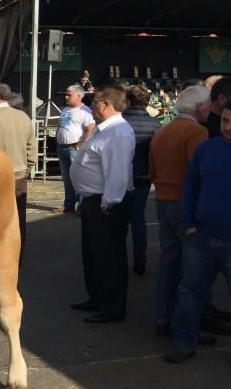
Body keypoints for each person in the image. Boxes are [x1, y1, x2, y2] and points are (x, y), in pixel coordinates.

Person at [165, 99, 231, 363]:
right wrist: (189, 224)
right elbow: (191, 186)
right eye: (225, 121)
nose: (228, 127)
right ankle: (184, 342)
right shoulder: (206, 149)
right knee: (190, 292)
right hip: (201, 238)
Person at [69, 86, 135, 324]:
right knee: (93, 253)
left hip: (105, 203)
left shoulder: (117, 132)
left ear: (106, 104)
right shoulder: (103, 129)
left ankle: (112, 307)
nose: (92, 105)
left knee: (108, 256)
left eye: (95, 101)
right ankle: (96, 297)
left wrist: (108, 204)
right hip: (94, 201)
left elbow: (117, 174)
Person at [149, 85, 210, 337]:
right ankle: (186, 323)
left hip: (162, 201)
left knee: (169, 262)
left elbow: (152, 170)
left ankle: (163, 317)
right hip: (185, 204)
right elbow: (200, 173)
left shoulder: (162, 132)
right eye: (206, 105)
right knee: (193, 268)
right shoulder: (197, 132)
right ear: (199, 108)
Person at [0, 83, 36, 262]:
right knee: (19, 220)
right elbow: (32, 148)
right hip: (20, 176)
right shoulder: (24, 117)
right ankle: (17, 257)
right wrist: (26, 168)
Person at [122, 85, 162, 275]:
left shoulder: (118, 122)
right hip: (144, 176)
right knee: (138, 218)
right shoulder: (155, 124)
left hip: (122, 175)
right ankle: (140, 260)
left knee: (118, 220)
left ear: (127, 100)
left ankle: (117, 258)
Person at [54, 85, 95, 214]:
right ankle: (69, 204)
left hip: (74, 148)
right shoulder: (66, 109)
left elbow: (90, 129)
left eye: (69, 95)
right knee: (66, 177)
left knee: (78, 176)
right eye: (66, 94)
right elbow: (61, 126)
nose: (66, 97)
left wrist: (79, 144)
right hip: (62, 147)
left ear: (79, 96)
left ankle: (81, 205)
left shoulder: (85, 111)